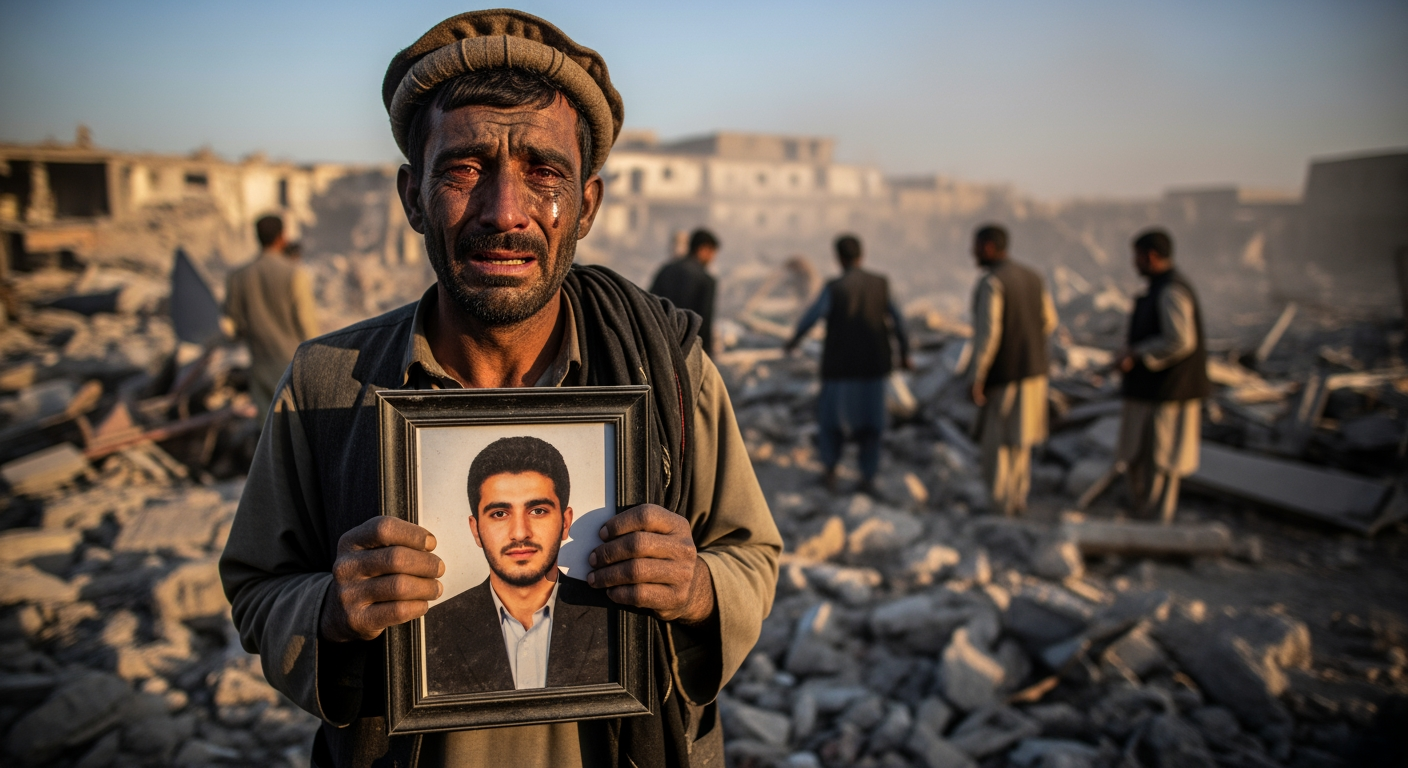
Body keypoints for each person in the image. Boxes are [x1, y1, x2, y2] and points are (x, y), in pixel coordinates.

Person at [218, 10, 781, 768]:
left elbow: (750, 554)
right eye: (464, 168)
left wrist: (698, 589)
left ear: (587, 205)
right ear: (413, 197)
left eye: (543, 172)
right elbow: (258, 587)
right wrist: (330, 608)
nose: (504, 212)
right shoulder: (328, 384)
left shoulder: (669, 373)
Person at [424, 436, 609, 694]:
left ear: (565, 522)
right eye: (500, 514)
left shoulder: (613, 618)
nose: (520, 533)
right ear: (476, 530)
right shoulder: (431, 629)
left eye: (538, 511)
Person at [785, 234, 909, 494]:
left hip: (840, 369)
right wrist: (904, 353)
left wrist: (794, 340)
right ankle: (867, 477)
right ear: (862, 255)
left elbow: (812, 316)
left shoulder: (835, 287)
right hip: (873, 369)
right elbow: (898, 320)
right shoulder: (880, 284)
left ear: (838, 258)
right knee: (872, 425)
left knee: (832, 424)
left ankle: (830, 473)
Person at [1115, 228, 1210, 522]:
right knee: (1140, 456)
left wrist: (1138, 354)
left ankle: (1156, 522)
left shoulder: (1172, 290)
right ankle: (1144, 515)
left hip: (1167, 392)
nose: (1134, 263)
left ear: (1151, 256)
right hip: (1152, 391)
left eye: (1137, 257)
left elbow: (1180, 340)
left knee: (1160, 460)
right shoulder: (1160, 288)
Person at [963, 224, 1057, 516]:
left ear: (989, 247)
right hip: (1034, 372)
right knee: (1021, 440)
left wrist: (977, 376)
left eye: (976, 246)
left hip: (1005, 376)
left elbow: (988, 335)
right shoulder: (1033, 277)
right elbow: (1049, 321)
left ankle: (999, 505)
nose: (973, 253)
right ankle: (1018, 499)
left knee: (999, 441)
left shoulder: (992, 282)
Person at [223, 215, 319, 419]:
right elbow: (306, 324)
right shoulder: (294, 274)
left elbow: (234, 323)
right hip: (292, 365)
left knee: (267, 427)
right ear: (282, 237)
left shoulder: (238, 277)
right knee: (296, 426)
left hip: (259, 365)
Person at [649, 228, 719, 353]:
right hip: (687, 348)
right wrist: (706, 352)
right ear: (703, 249)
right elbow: (704, 323)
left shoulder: (665, 270)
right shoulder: (706, 281)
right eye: (712, 253)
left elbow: (649, 303)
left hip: (658, 343)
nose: (712, 258)